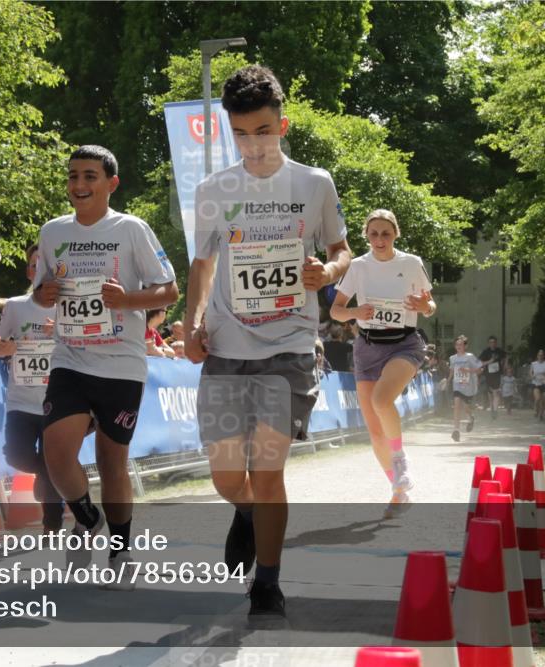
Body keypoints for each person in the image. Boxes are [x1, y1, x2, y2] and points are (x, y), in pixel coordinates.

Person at [183, 64, 350, 617]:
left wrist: (327, 272)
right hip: (228, 347)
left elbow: (341, 250)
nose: (252, 145)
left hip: (291, 347)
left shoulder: (314, 183)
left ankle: (268, 582)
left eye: (262, 131)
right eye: (241, 134)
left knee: (269, 470)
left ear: (284, 124)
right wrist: (193, 322)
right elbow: (203, 263)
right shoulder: (214, 189)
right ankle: (247, 513)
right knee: (230, 477)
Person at [33, 145, 178, 584]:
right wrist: (47, 294)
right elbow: (41, 292)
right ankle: (86, 516)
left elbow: (168, 290)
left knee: (112, 460)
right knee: (55, 452)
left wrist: (128, 299)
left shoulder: (131, 228)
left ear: (111, 183)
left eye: (90, 176)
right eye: (74, 176)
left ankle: (120, 549)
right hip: (70, 358)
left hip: (120, 362)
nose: (79, 185)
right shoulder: (52, 232)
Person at [330, 209, 436, 516]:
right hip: (367, 347)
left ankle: (400, 459)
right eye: (373, 233)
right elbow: (336, 310)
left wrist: (423, 306)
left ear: (395, 235)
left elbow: (430, 304)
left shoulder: (411, 263)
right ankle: (398, 487)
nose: (379, 239)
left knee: (381, 399)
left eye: (385, 233)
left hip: (404, 344)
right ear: (366, 235)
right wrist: (355, 313)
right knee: (375, 432)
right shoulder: (358, 266)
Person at [0, 243, 64, 534]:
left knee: (53, 461)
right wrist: (6, 347)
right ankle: (46, 472)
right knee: (17, 456)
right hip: (21, 400)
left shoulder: (70, 308)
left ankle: (53, 524)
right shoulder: (14, 306)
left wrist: (60, 332)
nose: (41, 271)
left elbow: (89, 346)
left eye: (46, 265)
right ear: (29, 271)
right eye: (35, 265)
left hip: (57, 400)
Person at [447, 335, 481, 442]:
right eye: (457, 344)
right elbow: (452, 371)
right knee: (457, 405)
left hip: (468, 387)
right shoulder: (452, 358)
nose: (458, 346)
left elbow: (479, 369)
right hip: (457, 385)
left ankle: (471, 418)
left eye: (461, 344)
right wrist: (447, 381)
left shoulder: (470, 357)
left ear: (465, 346)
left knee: (466, 408)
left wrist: (467, 371)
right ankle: (456, 430)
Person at [478, 335, 506, 420]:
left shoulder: (499, 351)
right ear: (488, 343)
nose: (492, 344)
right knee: (490, 393)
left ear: (496, 343)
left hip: (497, 374)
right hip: (488, 375)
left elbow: (506, 357)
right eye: (491, 342)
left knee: (496, 392)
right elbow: (480, 362)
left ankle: (495, 410)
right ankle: (492, 408)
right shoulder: (485, 352)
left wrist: (504, 366)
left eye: (494, 342)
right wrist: (489, 361)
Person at [530, 349, 545, 422]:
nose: (540, 356)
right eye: (539, 355)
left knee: (543, 401)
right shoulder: (533, 364)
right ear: (537, 356)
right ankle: (536, 410)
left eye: (542, 355)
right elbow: (530, 372)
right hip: (536, 383)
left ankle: (541, 415)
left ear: (544, 356)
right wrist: (532, 376)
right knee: (537, 399)